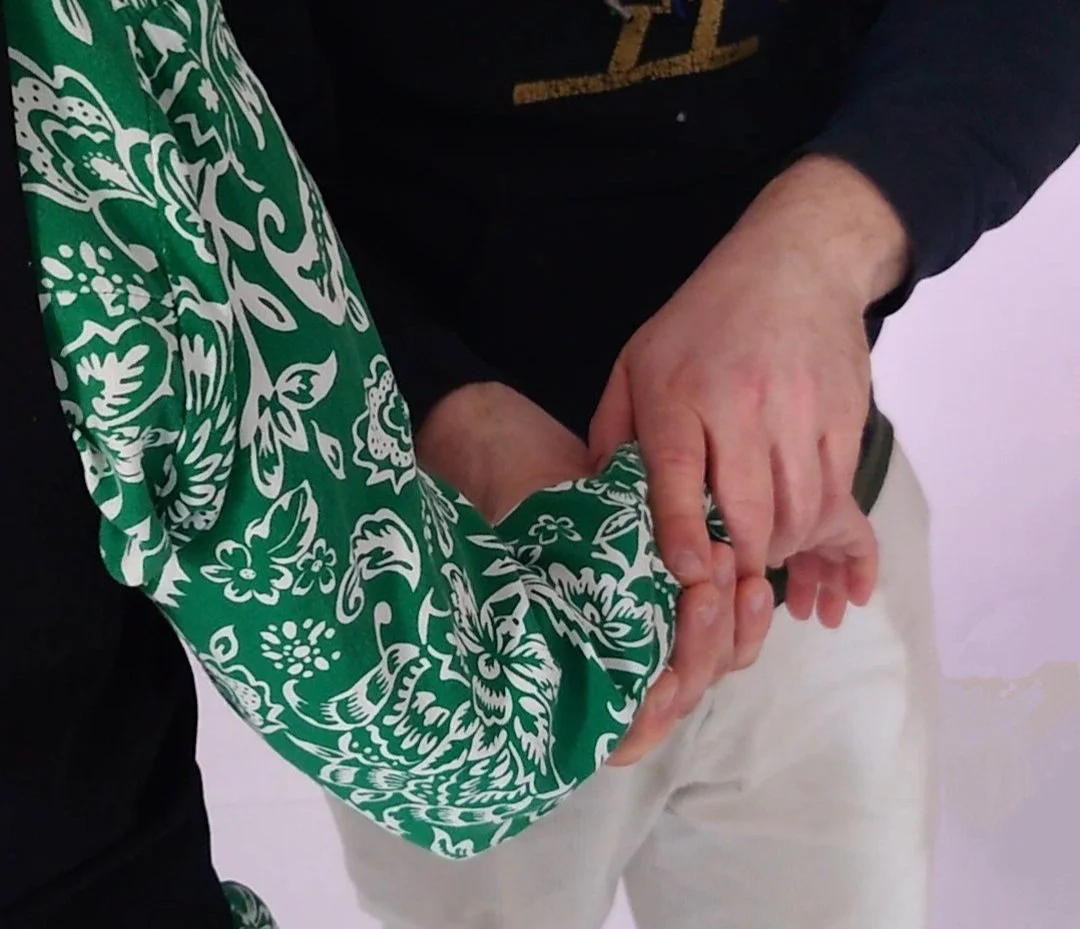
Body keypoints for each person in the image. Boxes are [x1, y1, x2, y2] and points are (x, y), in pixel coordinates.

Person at [1, 2, 1076, 929]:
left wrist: (822, 244)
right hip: (461, 583)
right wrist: (444, 407)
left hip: (810, 525)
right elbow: (202, 142)